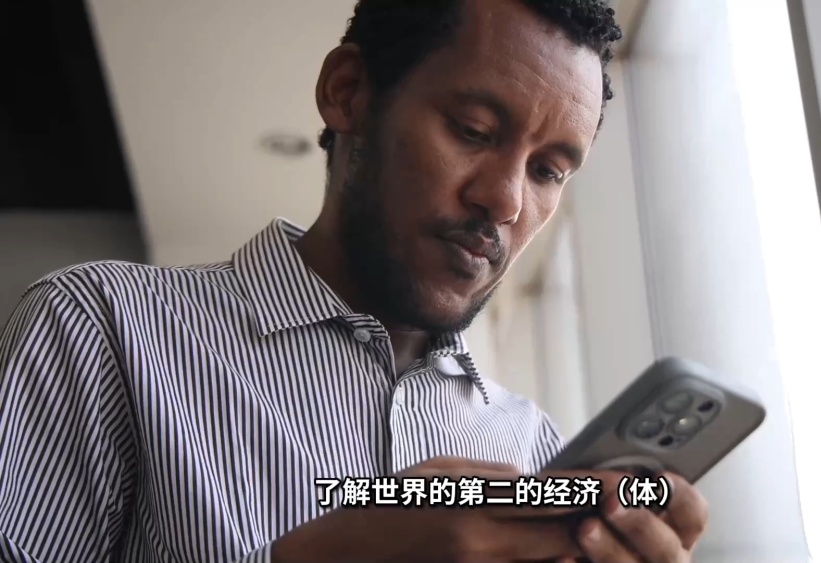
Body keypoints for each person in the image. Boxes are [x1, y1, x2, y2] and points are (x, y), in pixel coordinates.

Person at [0, 0, 709, 561]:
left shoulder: (533, 449)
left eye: (548, 170)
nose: (506, 200)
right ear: (348, 93)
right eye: (472, 130)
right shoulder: (103, 326)